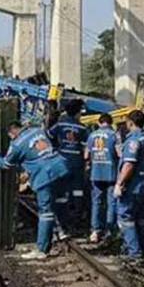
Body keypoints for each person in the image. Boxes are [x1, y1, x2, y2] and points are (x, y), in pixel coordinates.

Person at [0, 122, 71, 260]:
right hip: (61, 167)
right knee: (59, 201)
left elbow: (6, 164)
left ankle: (42, 249)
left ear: (12, 133)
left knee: (45, 212)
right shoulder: (37, 130)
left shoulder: (16, 144)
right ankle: (62, 230)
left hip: (44, 175)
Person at [114, 110, 144, 261]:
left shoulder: (134, 140)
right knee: (142, 219)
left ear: (130, 122)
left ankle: (134, 253)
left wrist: (120, 183)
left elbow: (129, 165)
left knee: (125, 217)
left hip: (134, 186)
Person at [48, 99, 89, 232]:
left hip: (62, 162)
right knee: (77, 190)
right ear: (77, 113)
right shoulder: (82, 128)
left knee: (61, 191)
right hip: (77, 163)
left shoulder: (60, 124)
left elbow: (48, 135)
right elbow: (86, 147)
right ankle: (76, 216)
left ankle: (62, 219)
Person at [85, 113, 119, 243]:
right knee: (111, 202)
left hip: (96, 173)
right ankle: (109, 231)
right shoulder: (114, 135)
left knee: (96, 202)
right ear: (111, 123)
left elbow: (86, 155)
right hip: (111, 173)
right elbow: (119, 153)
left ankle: (95, 231)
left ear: (99, 123)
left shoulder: (92, 135)